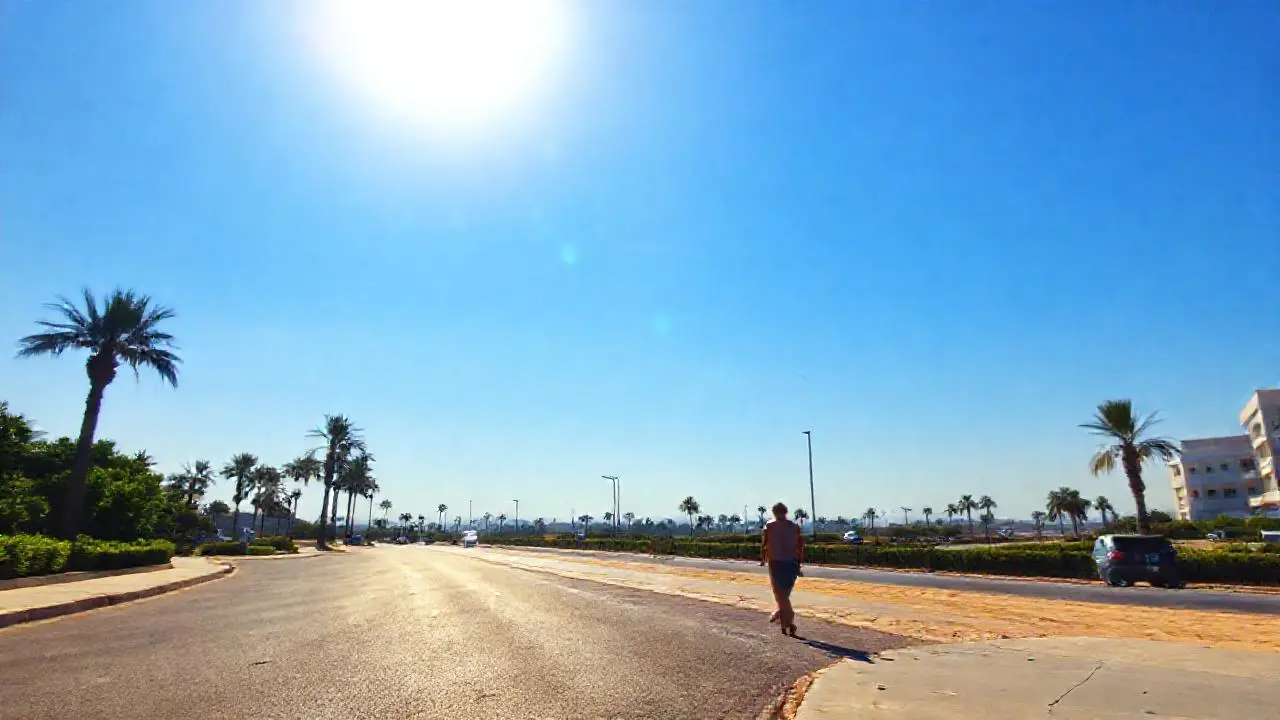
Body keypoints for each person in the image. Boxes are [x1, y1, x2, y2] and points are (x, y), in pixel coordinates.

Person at [760, 502, 804, 636]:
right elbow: (800, 547)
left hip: (777, 562)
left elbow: (764, 544)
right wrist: (799, 564)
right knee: (783, 595)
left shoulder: (769, 525)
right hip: (790, 562)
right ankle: (786, 622)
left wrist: (762, 559)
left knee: (781, 595)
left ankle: (787, 616)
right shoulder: (794, 526)